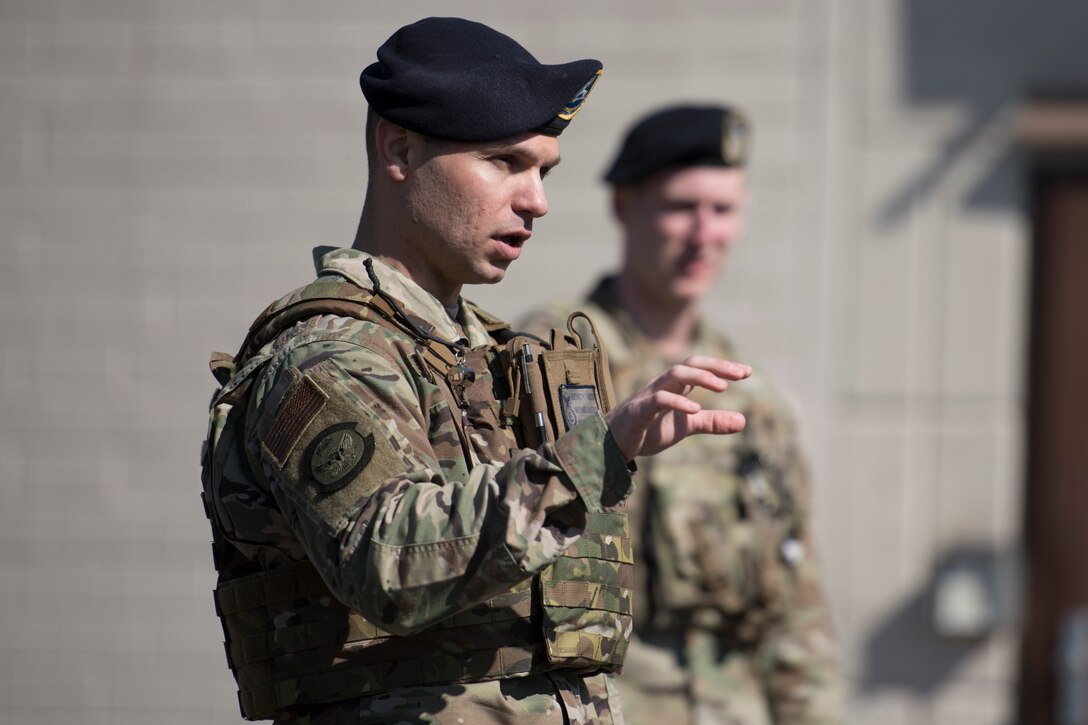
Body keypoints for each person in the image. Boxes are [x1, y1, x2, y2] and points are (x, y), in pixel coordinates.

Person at [200, 20, 754, 725]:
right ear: (398, 148)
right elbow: (391, 561)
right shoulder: (324, 357)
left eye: (544, 171)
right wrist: (595, 455)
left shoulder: (488, 355)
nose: (537, 200)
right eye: (504, 162)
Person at [518, 105, 844, 724]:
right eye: (680, 207)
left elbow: (795, 608)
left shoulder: (748, 390)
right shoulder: (555, 358)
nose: (703, 234)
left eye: (723, 211)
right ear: (623, 206)